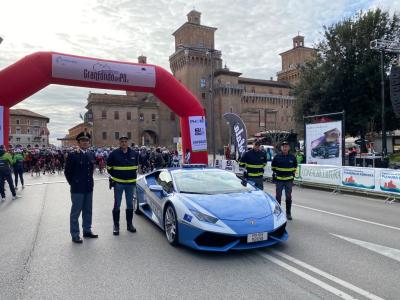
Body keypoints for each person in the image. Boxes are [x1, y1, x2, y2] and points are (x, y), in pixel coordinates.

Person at [64, 131, 98, 244]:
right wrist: (74, 183)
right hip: (77, 188)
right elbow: (67, 172)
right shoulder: (73, 155)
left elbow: (91, 170)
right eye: (82, 141)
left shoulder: (91, 154)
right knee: (76, 212)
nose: (85, 142)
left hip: (88, 187)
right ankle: (75, 234)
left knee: (88, 210)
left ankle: (87, 230)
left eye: (87, 141)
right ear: (78, 142)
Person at [107, 136, 139, 235]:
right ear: (119, 143)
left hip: (130, 184)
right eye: (122, 141)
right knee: (117, 205)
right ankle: (116, 226)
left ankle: (129, 225)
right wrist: (116, 177)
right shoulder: (113, 154)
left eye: (125, 141)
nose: (124, 143)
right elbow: (109, 168)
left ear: (128, 142)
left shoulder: (134, 153)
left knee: (130, 205)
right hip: (118, 183)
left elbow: (137, 166)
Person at [271, 141, 297, 220]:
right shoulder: (277, 157)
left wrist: (291, 175)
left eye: (286, 146)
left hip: (288, 181)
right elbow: (273, 167)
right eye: (283, 146)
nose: (285, 148)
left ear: (288, 148)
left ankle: (288, 213)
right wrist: (277, 174)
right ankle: (277, 213)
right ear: (281, 148)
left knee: (288, 197)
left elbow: (295, 167)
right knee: (278, 197)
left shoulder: (292, 157)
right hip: (279, 180)